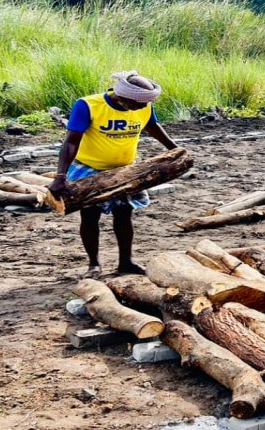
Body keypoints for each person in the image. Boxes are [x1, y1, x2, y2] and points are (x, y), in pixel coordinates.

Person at [49, 71, 178, 278]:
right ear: (124, 98)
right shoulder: (88, 105)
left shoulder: (143, 106)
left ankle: (125, 262)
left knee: (124, 213)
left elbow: (152, 126)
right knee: (90, 216)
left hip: (125, 169)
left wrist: (174, 149)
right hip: (89, 168)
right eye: (140, 103)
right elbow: (71, 141)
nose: (144, 107)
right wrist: (60, 176)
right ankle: (94, 265)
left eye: (146, 103)